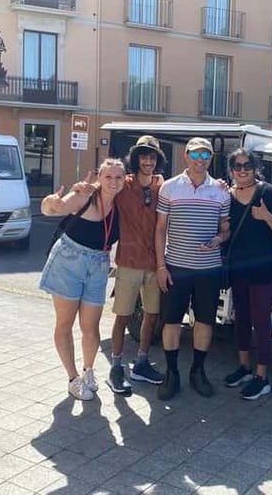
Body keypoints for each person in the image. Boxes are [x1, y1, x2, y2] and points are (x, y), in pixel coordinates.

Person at [39, 158, 125, 401]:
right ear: (99, 177)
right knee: (65, 323)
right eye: (108, 176)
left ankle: (88, 371)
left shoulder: (121, 205)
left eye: (118, 177)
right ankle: (72, 378)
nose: (113, 182)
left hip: (98, 264)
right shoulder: (84, 195)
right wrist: (50, 201)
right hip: (69, 258)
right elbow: (52, 209)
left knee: (91, 326)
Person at [155, 137, 230, 400]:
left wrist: (218, 240)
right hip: (176, 267)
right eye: (195, 156)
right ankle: (171, 373)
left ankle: (198, 371)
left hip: (208, 269)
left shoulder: (221, 191)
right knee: (172, 321)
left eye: (205, 156)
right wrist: (161, 266)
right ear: (186, 156)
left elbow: (225, 229)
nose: (200, 161)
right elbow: (160, 229)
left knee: (205, 322)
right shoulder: (169, 187)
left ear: (211, 159)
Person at [223, 148, 272, 400]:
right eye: (237, 166)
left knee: (261, 319)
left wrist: (266, 217)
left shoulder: (268, 194)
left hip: (264, 269)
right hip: (239, 268)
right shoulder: (226, 196)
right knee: (240, 317)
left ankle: (262, 377)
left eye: (247, 165)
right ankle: (244, 368)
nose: (243, 170)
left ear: (255, 168)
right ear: (231, 170)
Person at [106, 135, 167, 395]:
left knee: (152, 315)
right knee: (123, 315)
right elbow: (102, 189)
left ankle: (141, 362)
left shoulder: (162, 186)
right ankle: (117, 366)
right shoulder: (123, 185)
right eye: (143, 156)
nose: (147, 161)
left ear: (157, 160)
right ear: (136, 159)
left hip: (154, 263)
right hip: (129, 261)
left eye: (152, 157)